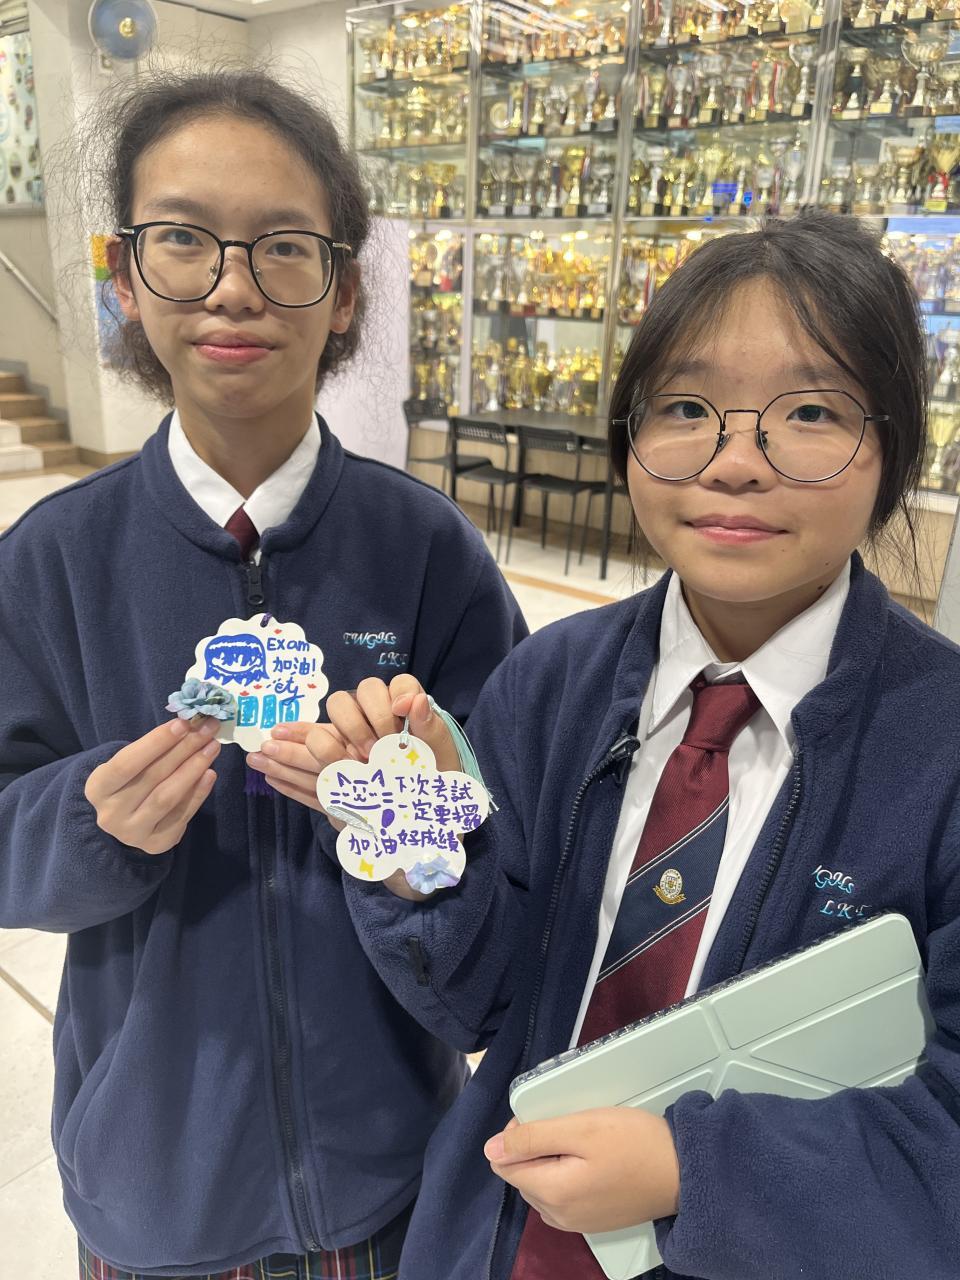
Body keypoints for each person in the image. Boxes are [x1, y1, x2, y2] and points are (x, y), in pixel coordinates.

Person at [308, 212, 960, 1280]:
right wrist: (415, 853)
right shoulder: (550, 682)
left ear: (893, 450)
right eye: (687, 408)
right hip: (498, 1241)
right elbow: (484, 1006)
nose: (735, 463)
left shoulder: (939, 747)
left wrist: (694, 1171)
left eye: (809, 412)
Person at [0, 68, 525, 1279]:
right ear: (124, 276)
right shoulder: (51, 563)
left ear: (344, 291)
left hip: (391, 1172)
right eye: (184, 239)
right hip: (155, 1189)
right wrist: (86, 820)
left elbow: (511, 839)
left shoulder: (427, 551)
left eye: (284, 246)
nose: (233, 285)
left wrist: (414, 831)